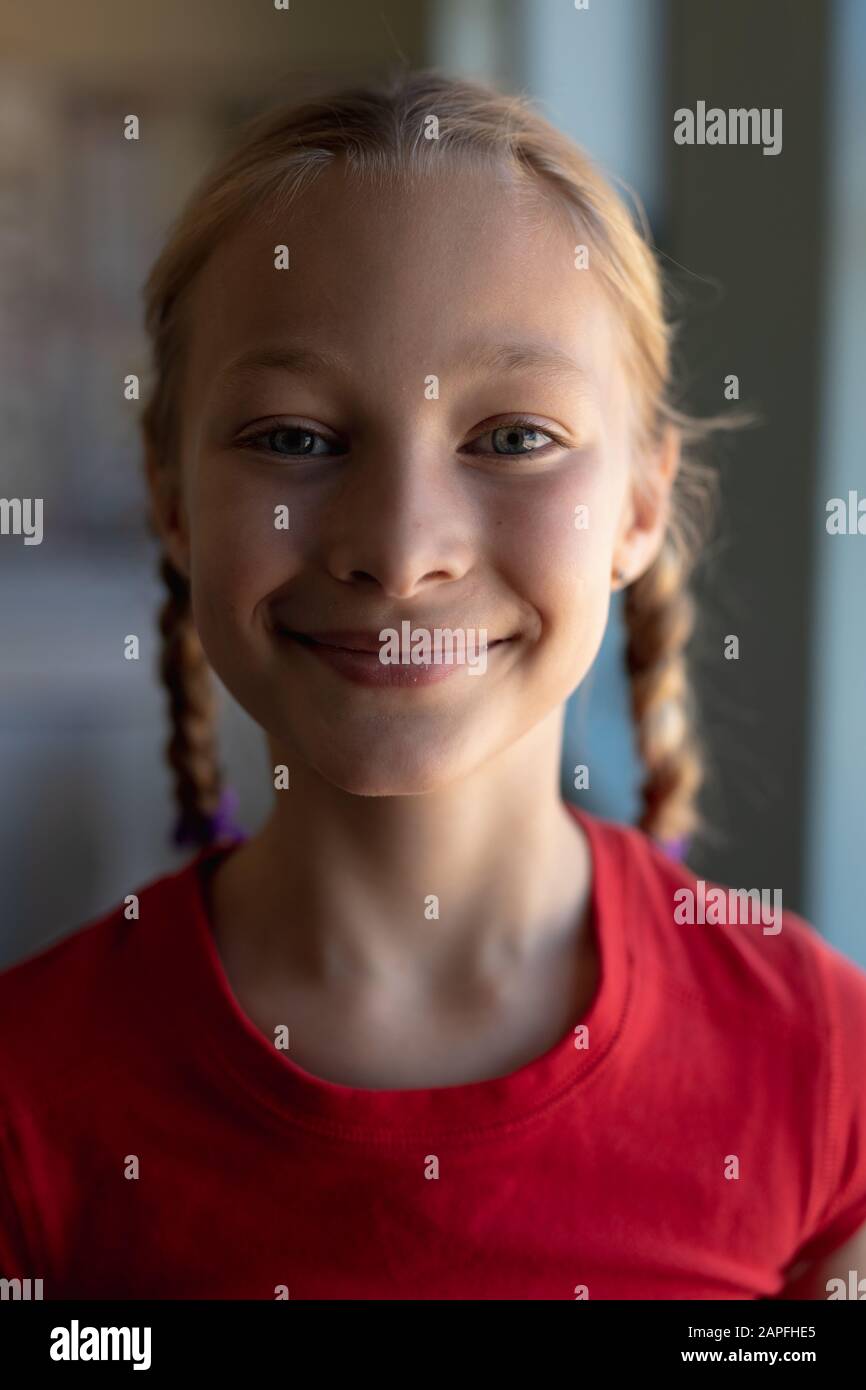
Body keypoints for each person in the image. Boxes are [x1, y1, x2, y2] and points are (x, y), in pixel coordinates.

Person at [1, 72, 864, 1300]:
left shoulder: (821, 1067)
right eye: (296, 437)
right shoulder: (32, 1095)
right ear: (170, 495)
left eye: (512, 437)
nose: (401, 550)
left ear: (636, 502)